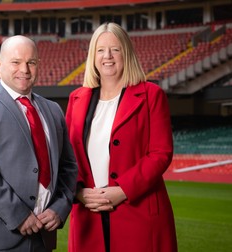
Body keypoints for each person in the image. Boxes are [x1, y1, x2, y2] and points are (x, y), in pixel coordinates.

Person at [0, 35, 78, 252]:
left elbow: (69, 167)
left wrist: (60, 208)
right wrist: (19, 215)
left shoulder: (53, 110)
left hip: (43, 237)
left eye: (31, 62)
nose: (25, 69)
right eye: (16, 62)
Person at [65, 22, 177, 252]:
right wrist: (78, 192)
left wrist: (123, 190)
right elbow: (67, 157)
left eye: (115, 49)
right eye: (100, 50)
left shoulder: (151, 95)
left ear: (126, 53)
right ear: (93, 56)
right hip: (89, 212)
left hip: (139, 211)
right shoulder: (76, 98)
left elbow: (160, 153)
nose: (107, 56)